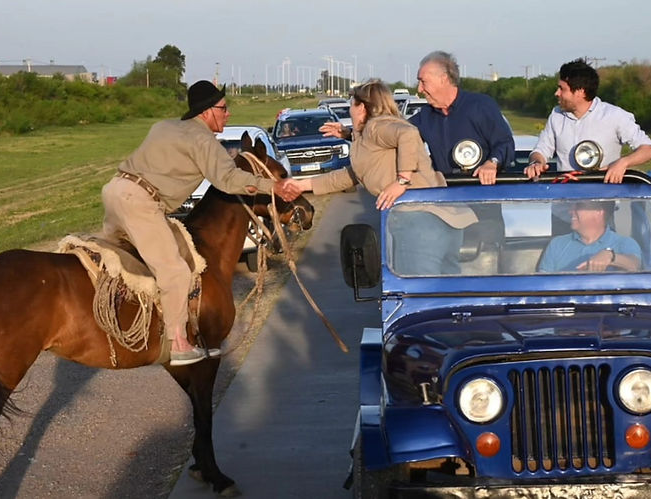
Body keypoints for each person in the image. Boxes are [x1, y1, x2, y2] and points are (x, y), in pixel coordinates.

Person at [101, 80, 299, 366]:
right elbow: (229, 180)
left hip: (115, 190)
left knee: (120, 261)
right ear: (207, 111)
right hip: (140, 203)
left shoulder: (163, 126)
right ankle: (178, 344)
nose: (228, 114)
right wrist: (272, 186)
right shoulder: (203, 139)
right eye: (223, 108)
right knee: (176, 271)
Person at [290, 79, 476, 275]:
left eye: (351, 104)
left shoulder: (376, 126)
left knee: (418, 292)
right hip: (445, 221)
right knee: (445, 294)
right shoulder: (374, 132)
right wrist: (301, 185)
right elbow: (353, 174)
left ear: (362, 107)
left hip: (418, 222)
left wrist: (401, 181)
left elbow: (408, 134)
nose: (350, 110)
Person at [525, 59, 651, 184]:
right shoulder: (556, 115)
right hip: (564, 201)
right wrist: (536, 163)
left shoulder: (615, 116)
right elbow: (541, 150)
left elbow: (648, 150)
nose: (556, 93)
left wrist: (623, 162)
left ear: (580, 92)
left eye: (562, 89)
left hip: (603, 201)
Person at [410, 51, 514, 185]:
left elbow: (505, 143)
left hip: (481, 199)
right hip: (442, 201)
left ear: (444, 79)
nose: (419, 89)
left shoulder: (480, 106)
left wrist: (492, 163)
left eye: (423, 82)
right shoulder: (425, 116)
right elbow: (397, 133)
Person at [538, 200, 641, 273]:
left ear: (598, 212)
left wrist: (610, 257)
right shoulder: (557, 244)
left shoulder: (625, 243)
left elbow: (634, 265)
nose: (570, 211)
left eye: (578, 206)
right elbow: (542, 287)